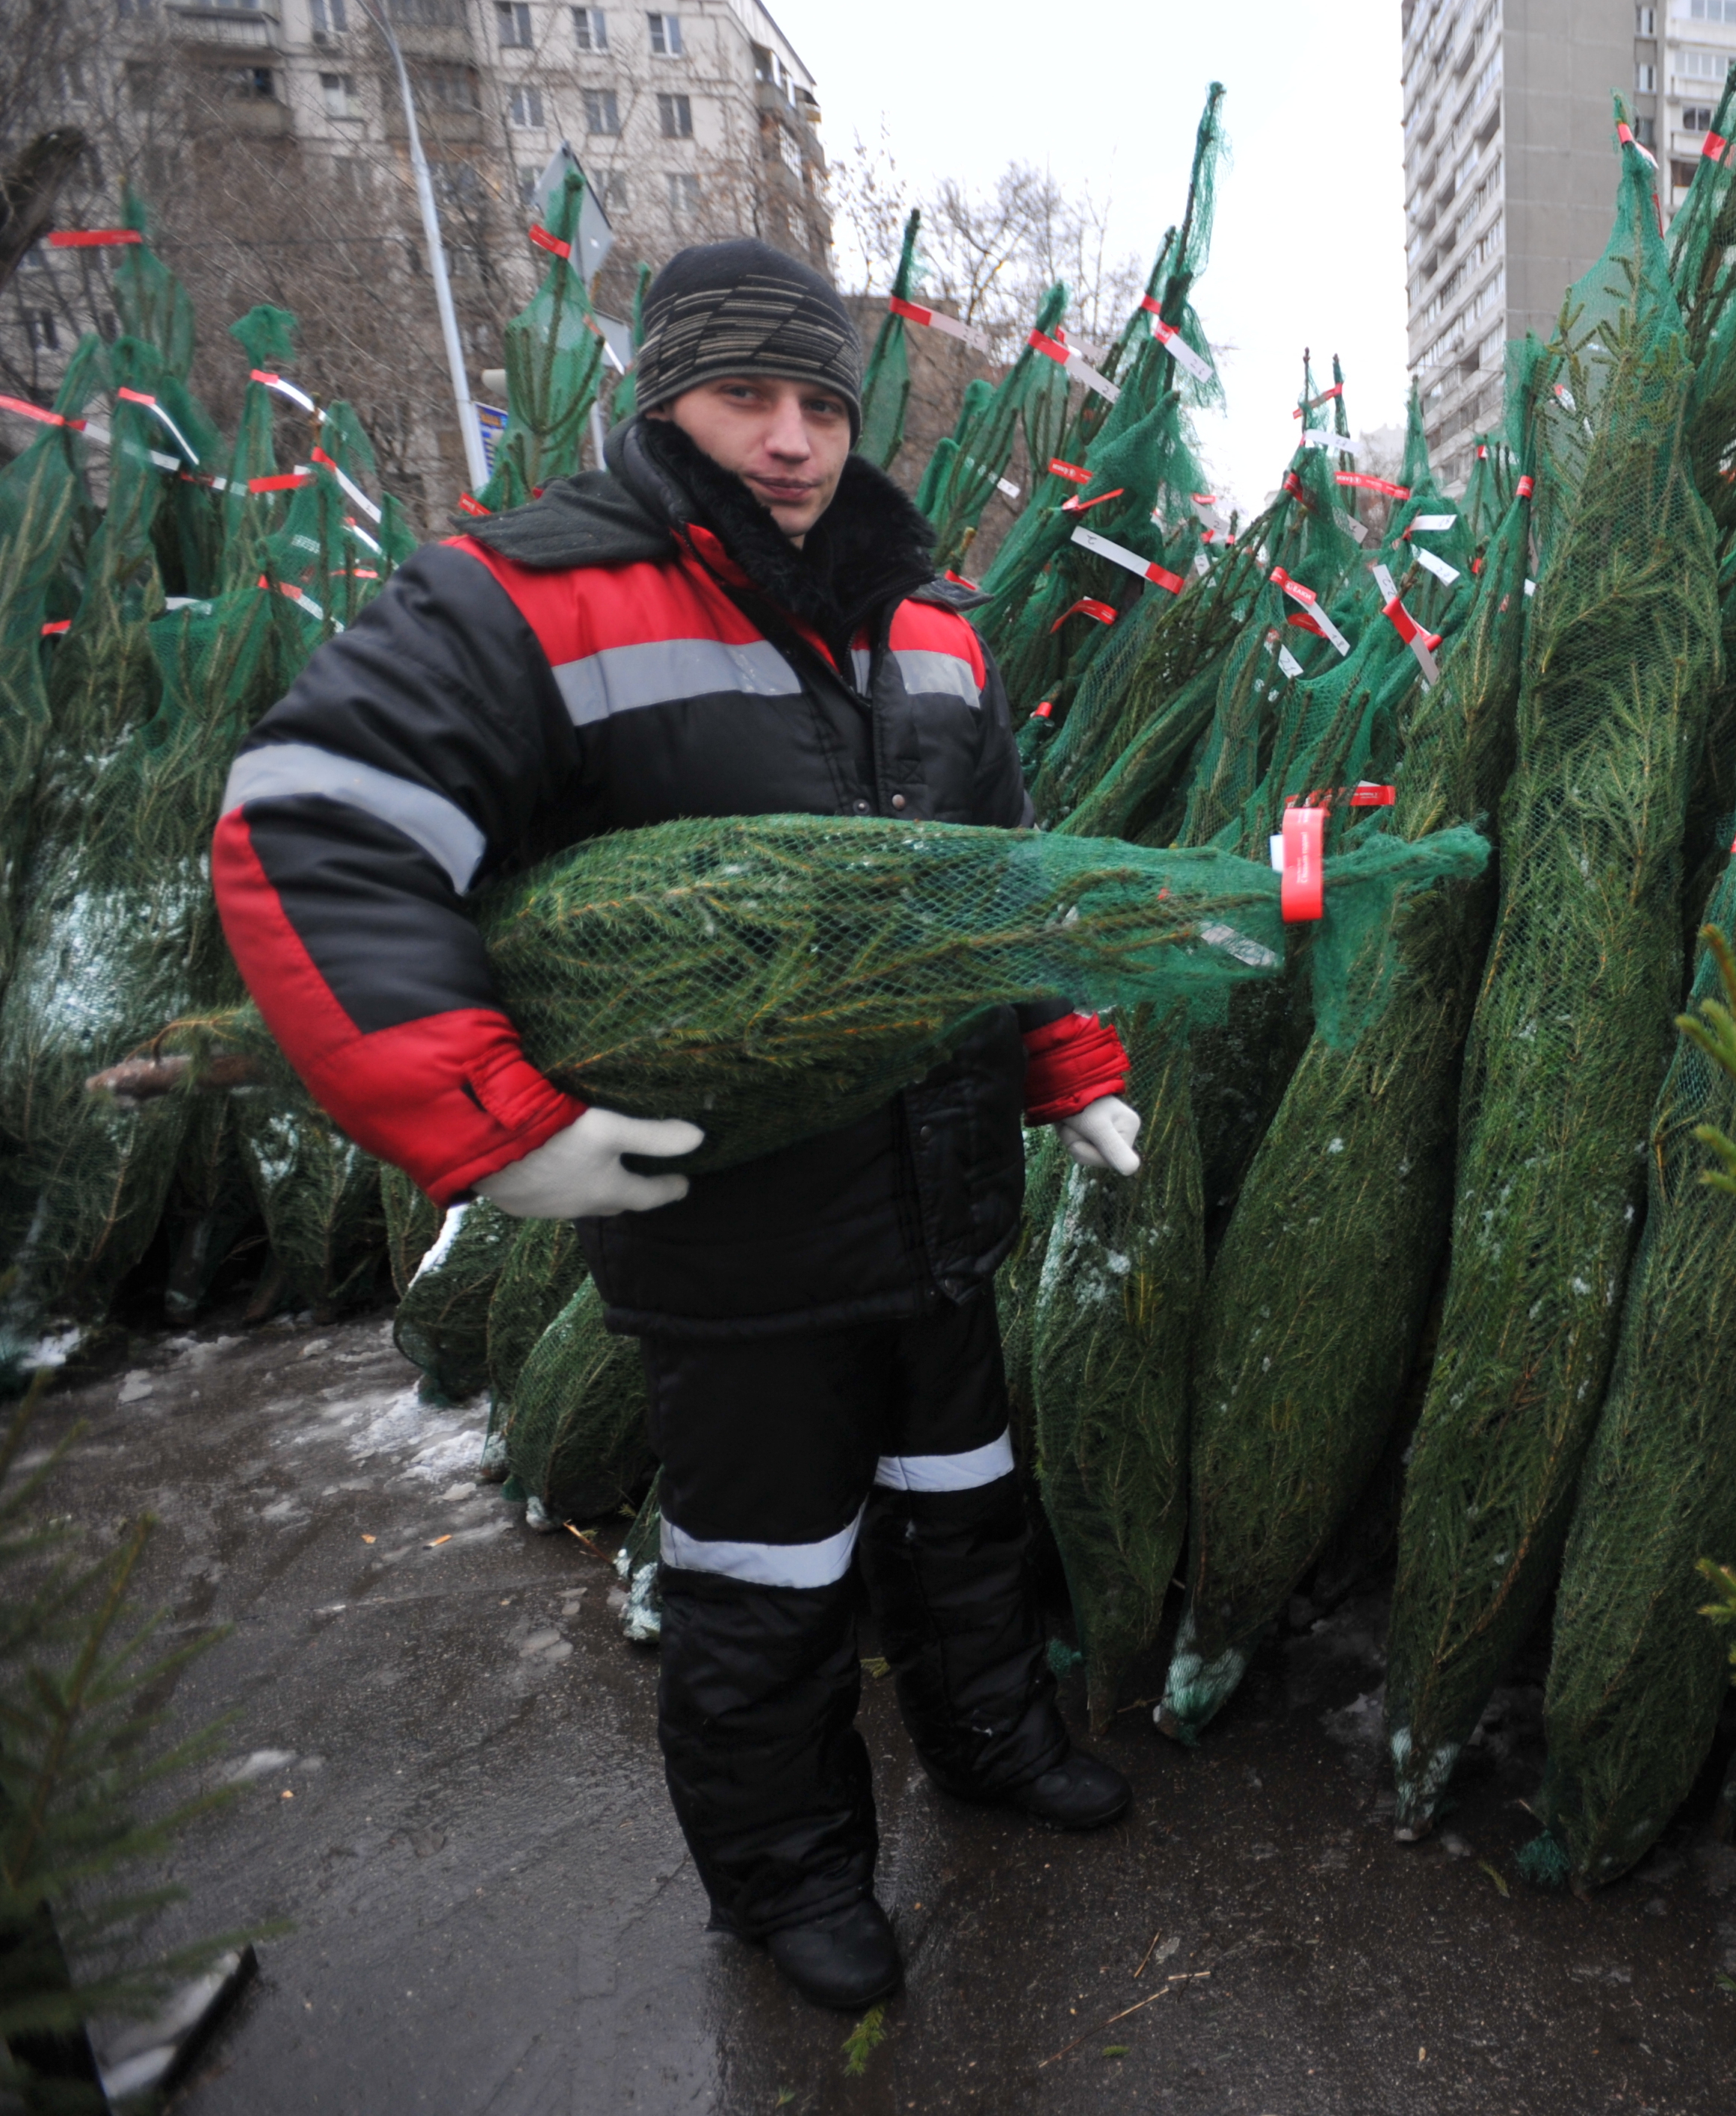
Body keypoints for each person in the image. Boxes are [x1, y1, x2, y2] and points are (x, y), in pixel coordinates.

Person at [211, 238, 1134, 2012]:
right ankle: (789, 1880)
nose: (790, 439)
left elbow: (994, 887)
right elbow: (311, 822)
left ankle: (995, 1739)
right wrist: (492, 1118)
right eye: (744, 398)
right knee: (766, 1570)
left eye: (820, 402)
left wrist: (1067, 1068)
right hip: (733, 1223)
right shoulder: (528, 597)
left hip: (939, 1192)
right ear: (663, 401)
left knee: (964, 1500)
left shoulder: (928, 623)